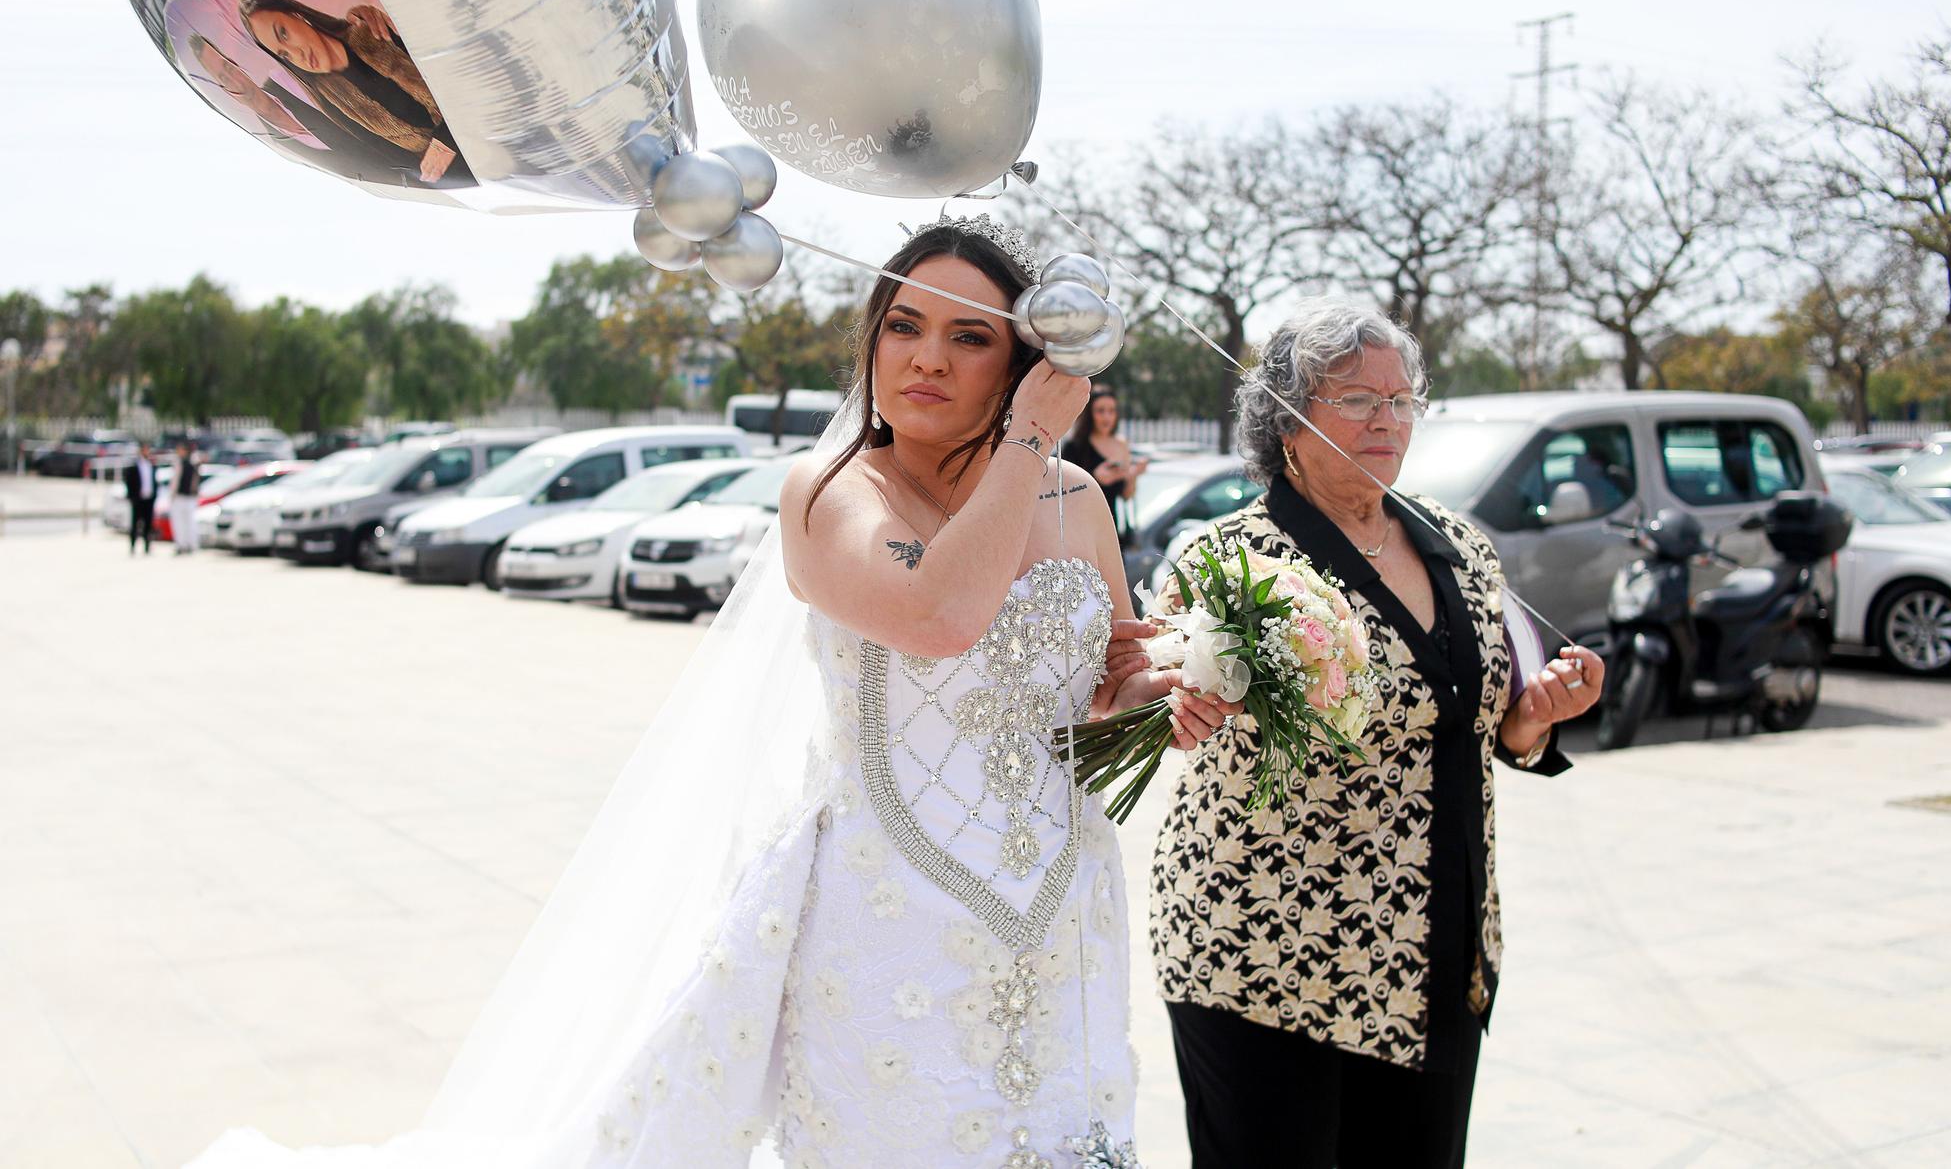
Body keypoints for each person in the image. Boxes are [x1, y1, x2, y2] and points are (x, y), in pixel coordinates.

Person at [185, 216, 1227, 1169]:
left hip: (1056, 906)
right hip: (890, 911)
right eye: (903, 325)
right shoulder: (830, 495)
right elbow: (937, 618)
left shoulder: (1073, 500)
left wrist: (1165, 685)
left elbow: (1093, 686)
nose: (925, 357)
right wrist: (1029, 443)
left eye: (968, 337)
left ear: (1018, 360)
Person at [1150, 300, 1605, 1169]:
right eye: (1357, 399)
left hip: (1435, 952)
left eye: (1402, 400)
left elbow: (1478, 724)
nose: (1387, 419)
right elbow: (1154, 704)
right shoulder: (1222, 559)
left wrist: (1532, 720)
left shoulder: (1460, 545)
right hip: (1267, 959)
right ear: (1285, 419)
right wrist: (1175, 709)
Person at [236, 0, 471, 187]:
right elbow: (399, 164)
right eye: (284, 54)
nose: (297, 54)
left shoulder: (373, 28)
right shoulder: (332, 102)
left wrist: (445, 141)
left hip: (484, 124)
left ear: (296, 14)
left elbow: (458, 68)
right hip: (467, 175)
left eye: (283, 33)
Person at [1061, 385, 1146, 541]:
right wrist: (1095, 478)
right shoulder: (1074, 446)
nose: (1107, 417)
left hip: (1112, 529)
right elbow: (1063, 493)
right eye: (1100, 411)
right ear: (1089, 414)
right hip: (1080, 528)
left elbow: (1126, 496)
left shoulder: (1121, 444)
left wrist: (1133, 475)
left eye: (1112, 411)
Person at [122, 444, 158, 555]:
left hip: (149, 499)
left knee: (148, 523)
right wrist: (132, 497)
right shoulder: (134, 466)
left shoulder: (151, 465)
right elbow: (129, 482)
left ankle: (147, 546)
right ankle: (132, 546)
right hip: (138, 500)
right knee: (135, 524)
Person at [170, 441, 202, 554]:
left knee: (186, 522)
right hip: (186, 497)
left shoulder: (185, 463)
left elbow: (175, 482)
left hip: (185, 497)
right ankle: (185, 544)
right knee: (184, 522)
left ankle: (187, 544)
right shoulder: (193, 462)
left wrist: (172, 495)